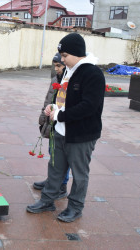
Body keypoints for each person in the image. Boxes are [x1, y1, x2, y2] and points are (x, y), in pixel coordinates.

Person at [26, 33, 105, 223]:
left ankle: (75, 207)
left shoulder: (92, 73)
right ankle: (47, 201)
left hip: (81, 135)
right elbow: (63, 98)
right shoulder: (69, 70)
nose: (62, 59)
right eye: (61, 55)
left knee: (79, 174)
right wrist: (53, 107)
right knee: (55, 168)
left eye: (65, 55)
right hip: (60, 131)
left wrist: (60, 115)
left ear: (77, 54)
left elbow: (89, 106)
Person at [33, 53, 70, 200]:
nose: (56, 69)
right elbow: (48, 99)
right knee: (53, 154)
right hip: (52, 121)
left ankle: (62, 185)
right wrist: (43, 117)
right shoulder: (55, 79)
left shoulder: (69, 82)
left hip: (63, 122)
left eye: (59, 66)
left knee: (63, 157)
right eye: (55, 66)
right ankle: (52, 180)